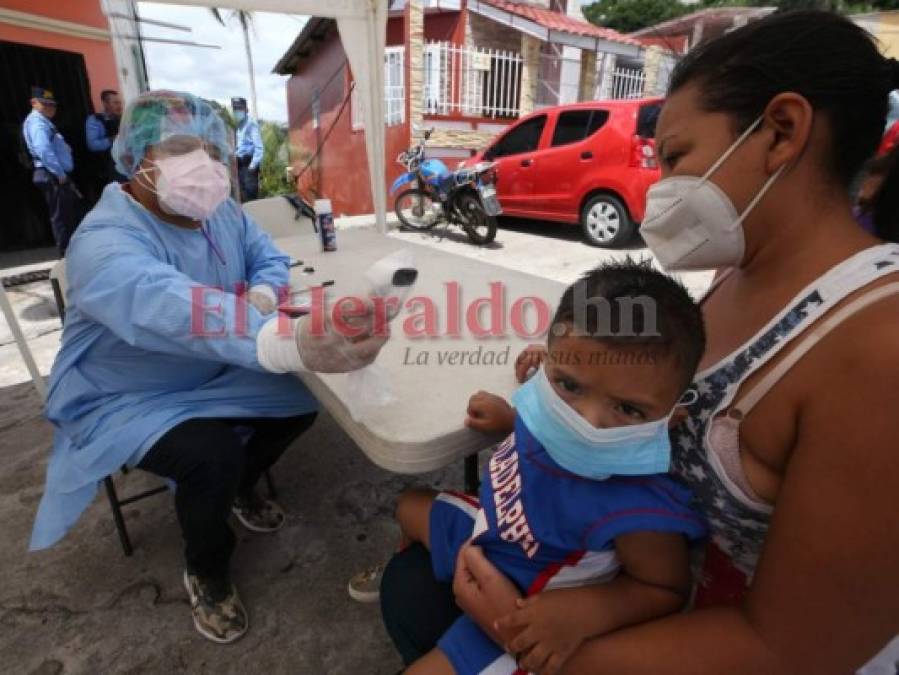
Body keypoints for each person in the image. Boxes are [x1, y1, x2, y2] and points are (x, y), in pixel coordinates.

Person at [379, 10, 899, 674]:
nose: (660, 184)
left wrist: (518, 631)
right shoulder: (738, 271)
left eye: (675, 156)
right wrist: (549, 401)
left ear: (781, 131)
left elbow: (792, 649)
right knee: (412, 587)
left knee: (418, 602)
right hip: (609, 579)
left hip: (686, 634)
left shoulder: (877, 347)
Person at [29, 90, 388, 646]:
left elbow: (267, 257)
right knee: (209, 454)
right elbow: (170, 307)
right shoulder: (104, 241)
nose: (201, 165)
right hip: (124, 396)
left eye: (210, 149)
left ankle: (241, 484)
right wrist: (278, 338)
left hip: (213, 366)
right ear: (137, 156)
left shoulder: (220, 213)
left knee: (302, 400)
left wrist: (266, 298)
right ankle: (207, 566)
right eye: (178, 148)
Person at [362, 261, 708, 675]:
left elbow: (664, 588)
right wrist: (511, 420)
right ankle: (407, 571)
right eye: (570, 385)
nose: (586, 423)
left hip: (524, 602)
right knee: (408, 505)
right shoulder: (549, 402)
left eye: (629, 409)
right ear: (547, 366)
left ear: (671, 417)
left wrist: (579, 614)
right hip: (488, 528)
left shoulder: (638, 509)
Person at [22, 86, 79, 256]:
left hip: (52, 173)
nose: (50, 108)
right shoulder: (37, 123)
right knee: (62, 216)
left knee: (67, 214)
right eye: (45, 104)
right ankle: (67, 253)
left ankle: (71, 251)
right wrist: (59, 173)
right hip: (51, 174)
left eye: (52, 105)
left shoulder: (43, 122)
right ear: (33, 103)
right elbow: (43, 149)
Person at [85, 89, 126, 201]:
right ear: (105, 103)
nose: (119, 106)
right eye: (115, 103)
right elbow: (93, 145)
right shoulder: (95, 120)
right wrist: (113, 139)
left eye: (120, 102)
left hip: (124, 165)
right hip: (106, 167)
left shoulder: (124, 118)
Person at [232, 96, 263, 201]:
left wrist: (252, 166)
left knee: (251, 197)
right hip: (240, 166)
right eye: (235, 109)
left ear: (246, 110)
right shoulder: (238, 125)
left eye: (240, 108)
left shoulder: (251, 124)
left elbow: (259, 148)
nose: (237, 111)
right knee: (242, 197)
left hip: (248, 165)